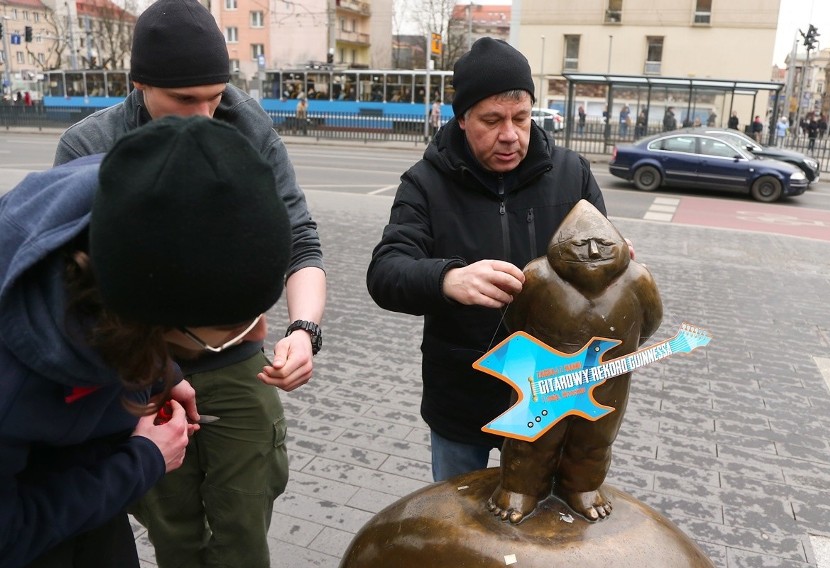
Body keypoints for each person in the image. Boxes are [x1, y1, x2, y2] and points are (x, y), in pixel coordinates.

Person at [52, 1, 326, 566]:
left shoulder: (247, 123)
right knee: (171, 529)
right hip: (142, 370)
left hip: (240, 363)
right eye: (184, 100)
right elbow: (73, 282)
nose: (204, 115)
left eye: (215, 97)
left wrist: (304, 329)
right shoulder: (89, 147)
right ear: (139, 84)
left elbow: (300, 237)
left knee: (244, 530)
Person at [0, 116, 292, 568]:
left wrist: (163, 373)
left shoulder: (132, 204)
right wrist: (143, 461)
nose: (259, 334)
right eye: (230, 328)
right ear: (152, 319)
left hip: (89, 497)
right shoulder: (10, 387)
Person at [366, 37, 610, 482]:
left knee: (546, 531)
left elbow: (601, 270)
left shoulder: (572, 173)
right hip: (462, 397)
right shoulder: (425, 184)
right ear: (462, 119)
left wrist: (614, 264)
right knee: (458, 531)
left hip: (553, 392)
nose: (510, 135)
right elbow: (384, 273)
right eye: (492, 120)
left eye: (521, 117)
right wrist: (447, 279)